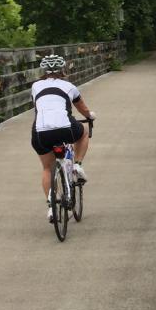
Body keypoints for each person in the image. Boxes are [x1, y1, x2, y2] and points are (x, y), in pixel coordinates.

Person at [30, 55, 96, 221]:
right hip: (65, 129)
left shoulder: (35, 86)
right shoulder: (69, 86)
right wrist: (90, 116)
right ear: (63, 70)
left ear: (44, 71)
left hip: (41, 132)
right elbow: (82, 108)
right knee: (84, 132)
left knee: (47, 168)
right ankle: (78, 165)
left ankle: (51, 207)